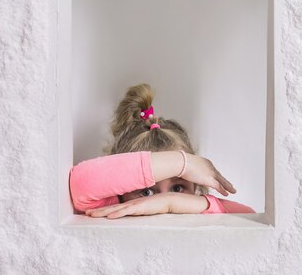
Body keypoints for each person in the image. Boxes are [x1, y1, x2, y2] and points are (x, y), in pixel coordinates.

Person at [69, 83, 256, 218]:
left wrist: (171, 202)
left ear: (195, 187)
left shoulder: (198, 209)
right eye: (147, 192)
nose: (159, 202)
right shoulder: (115, 206)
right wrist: (183, 163)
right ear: (120, 192)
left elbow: (250, 217)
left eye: (177, 188)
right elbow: (79, 182)